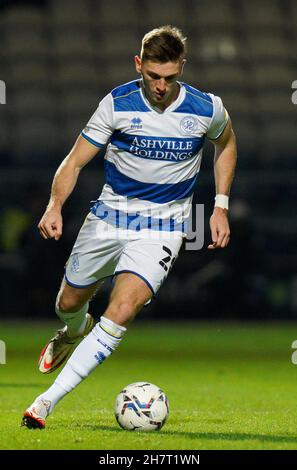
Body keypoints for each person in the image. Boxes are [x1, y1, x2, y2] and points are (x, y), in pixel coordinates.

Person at [21, 25, 237, 429]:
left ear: (182, 68)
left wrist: (220, 206)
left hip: (165, 226)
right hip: (109, 217)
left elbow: (226, 142)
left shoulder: (206, 108)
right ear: (139, 65)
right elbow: (74, 161)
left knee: (121, 309)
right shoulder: (116, 104)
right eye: (153, 76)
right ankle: (73, 331)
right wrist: (54, 205)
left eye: (170, 77)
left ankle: (44, 403)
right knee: (68, 303)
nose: (160, 86)